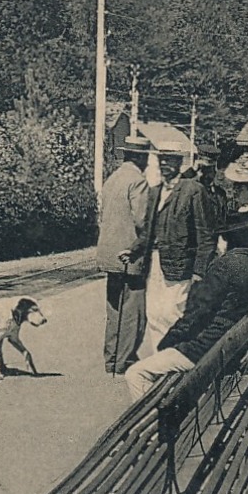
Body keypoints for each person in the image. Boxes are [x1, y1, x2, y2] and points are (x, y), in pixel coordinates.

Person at [125, 212, 248, 401]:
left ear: (226, 238)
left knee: (136, 373)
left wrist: (167, 343)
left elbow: (194, 315)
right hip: (231, 352)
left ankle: (158, 426)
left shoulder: (223, 266)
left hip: (204, 352)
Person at [139, 146, 214, 361]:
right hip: (155, 263)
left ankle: (178, 362)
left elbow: (206, 236)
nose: (164, 164)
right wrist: (133, 250)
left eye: (170, 160)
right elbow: (147, 231)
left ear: (180, 163)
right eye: (162, 159)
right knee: (153, 314)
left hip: (181, 266)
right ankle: (158, 361)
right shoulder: (154, 191)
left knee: (174, 314)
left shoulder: (193, 190)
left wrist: (199, 271)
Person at [96, 134, 158, 374]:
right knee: (133, 309)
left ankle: (111, 358)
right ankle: (125, 360)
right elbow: (142, 220)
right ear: (140, 157)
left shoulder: (113, 178)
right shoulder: (138, 181)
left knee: (114, 308)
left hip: (109, 254)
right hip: (129, 256)